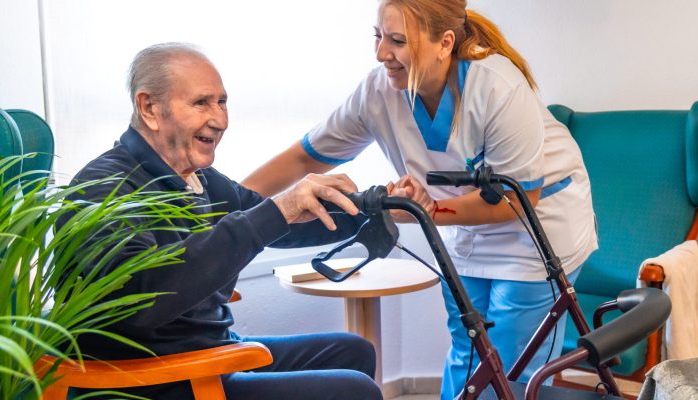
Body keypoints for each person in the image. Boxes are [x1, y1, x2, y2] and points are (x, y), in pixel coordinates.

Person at [241, 1, 597, 398]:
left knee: (513, 364)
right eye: (378, 37)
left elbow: (518, 198)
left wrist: (426, 212)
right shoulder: (379, 92)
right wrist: (227, 204)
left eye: (396, 41)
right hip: (462, 226)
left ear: (444, 42)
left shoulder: (496, 86)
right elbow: (307, 156)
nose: (381, 54)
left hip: (537, 226)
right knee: (468, 346)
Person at [66, 42, 382, 400]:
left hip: (208, 355)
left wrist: (373, 207)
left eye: (222, 102)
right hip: (156, 379)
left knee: (354, 352)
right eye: (201, 102)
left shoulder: (199, 179)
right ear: (149, 107)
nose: (220, 120)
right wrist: (277, 210)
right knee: (353, 391)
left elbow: (280, 223)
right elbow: (141, 300)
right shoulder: (103, 189)